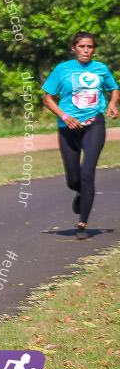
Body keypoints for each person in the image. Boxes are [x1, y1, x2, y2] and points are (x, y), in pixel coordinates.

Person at [41, 31, 119, 240]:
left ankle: (82, 223)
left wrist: (112, 104)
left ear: (93, 49)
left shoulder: (100, 68)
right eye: (82, 47)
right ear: (74, 48)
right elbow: (47, 99)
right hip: (68, 127)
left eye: (90, 47)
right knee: (73, 178)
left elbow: (114, 88)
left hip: (94, 124)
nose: (86, 51)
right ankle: (79, 193)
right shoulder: (62, 70)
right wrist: (65, 116)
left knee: (87, 173)